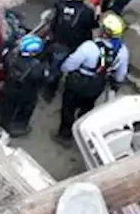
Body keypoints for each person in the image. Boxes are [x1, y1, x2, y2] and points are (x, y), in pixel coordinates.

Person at [55, 13, 129, 144]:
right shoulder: (122, 51)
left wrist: (64, 70)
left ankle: (65, 135)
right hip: (98, 84)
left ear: (104, 32)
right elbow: (120, 73)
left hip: (78, 82)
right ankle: (82, 130)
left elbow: (71, 63)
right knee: (88, 105)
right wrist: (115, 83)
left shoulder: (89, 47)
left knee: (68, 107)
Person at [40, 0, 100, 103]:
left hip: (57, 43)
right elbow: (93, 26)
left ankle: (49, 92)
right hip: (75, 46)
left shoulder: (60, 5)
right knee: (70, 68)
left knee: (53, 70)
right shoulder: (87, 12)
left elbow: (53, 22)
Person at [0, 34, 54, 137]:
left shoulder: (10, 56)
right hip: (26, 93)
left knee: (7, 108)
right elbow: (48, 79)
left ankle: (3, 125)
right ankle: (19, 127)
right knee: (26, 109)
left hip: (9, 88)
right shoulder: (38, 68)